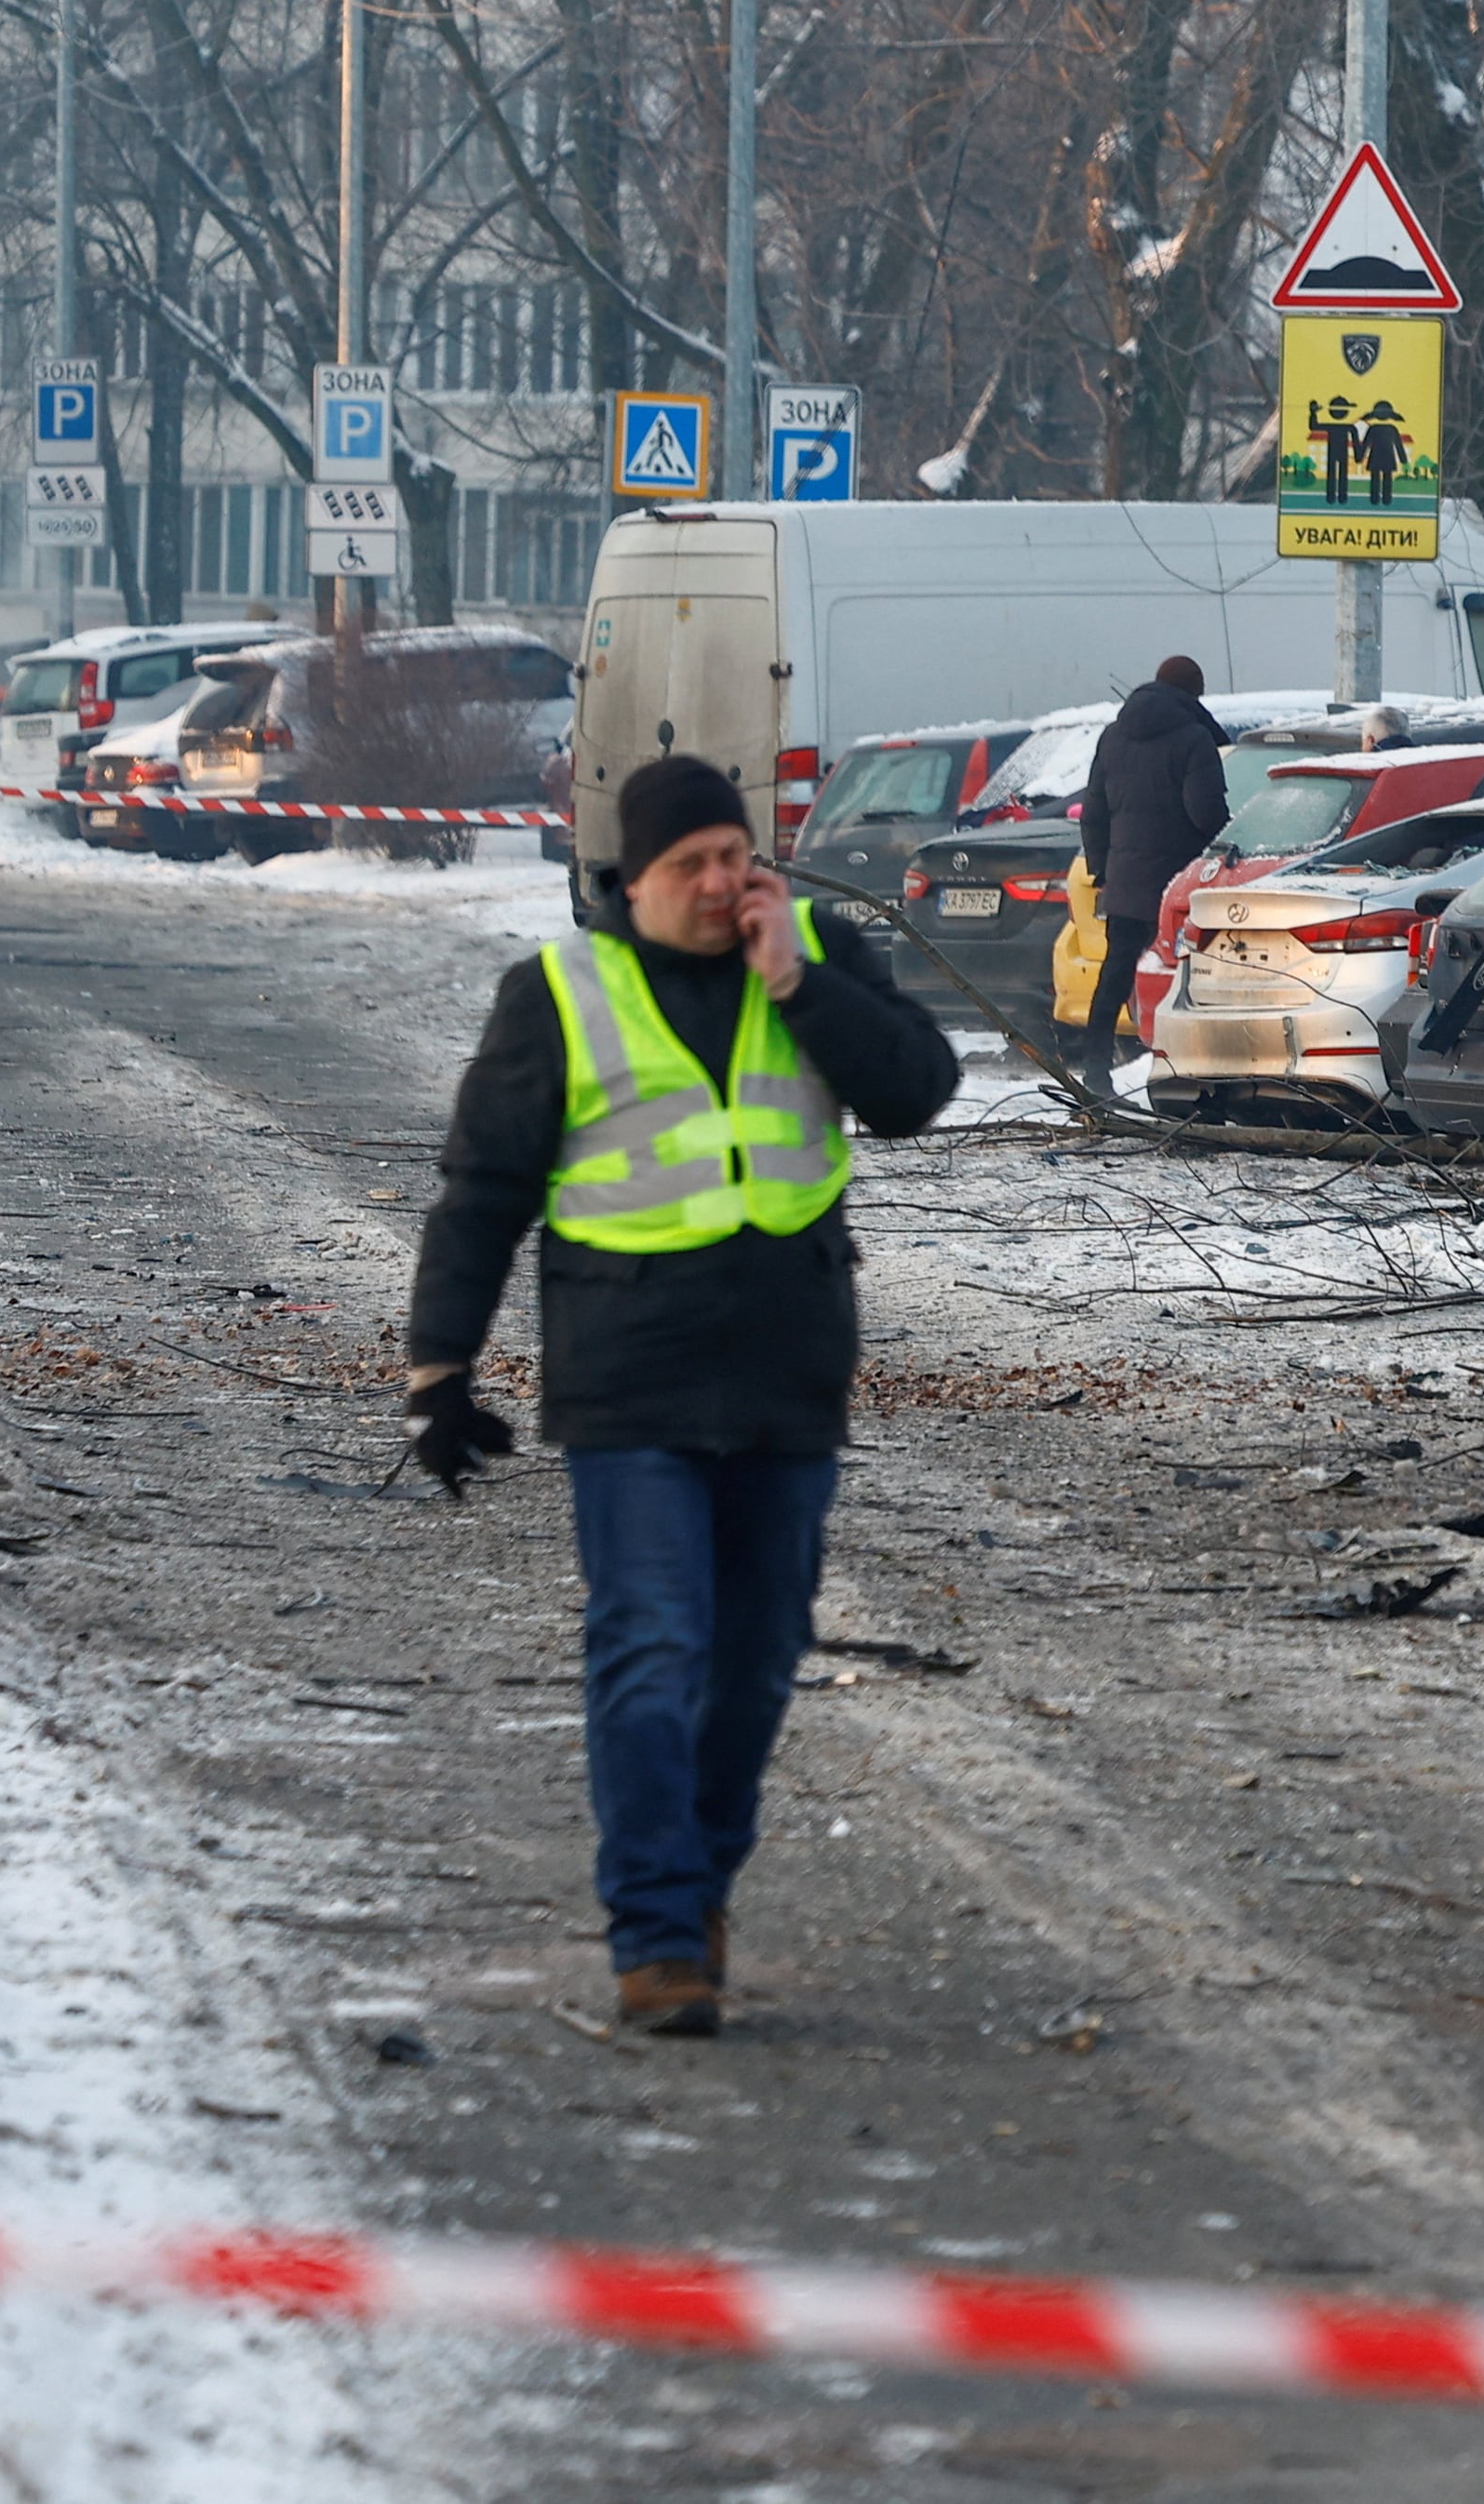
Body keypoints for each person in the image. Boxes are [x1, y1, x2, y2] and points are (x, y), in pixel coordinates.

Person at [398, 753, 959, 2037]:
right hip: (628, 1381)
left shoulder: (818, 948)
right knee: (653, 1646)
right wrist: (440, 1368)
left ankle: (699, 1878)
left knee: (755, 1664)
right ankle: (656, 1935)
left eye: (734, 855)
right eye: (689, 865)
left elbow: (917, 1093)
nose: (720, 883)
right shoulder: (558, 990)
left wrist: (799, 983)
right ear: (630, 880)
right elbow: (482, 1192)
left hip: (787, 1373)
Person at [1075, 654, 1227, 1057]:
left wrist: (1102, 871)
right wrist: (1227, 850)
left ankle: (1095, 1069)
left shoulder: (1112, 737)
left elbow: (1092, 814)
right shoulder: (1195, 738)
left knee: (1114, 975)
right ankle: (1175, 1062)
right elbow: (1206, 813)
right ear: (1195, 693)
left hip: (1124, 882)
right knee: (1185, 976)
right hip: (1178, 886)